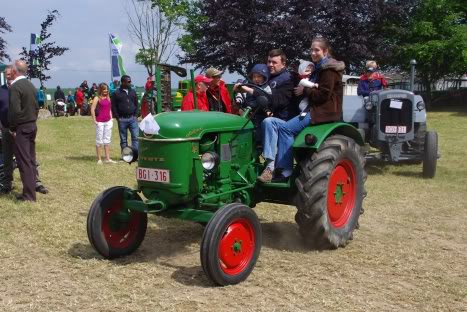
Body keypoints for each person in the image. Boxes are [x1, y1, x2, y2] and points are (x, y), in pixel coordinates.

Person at [275, 37, 345, 181]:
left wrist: (304, 90)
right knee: (274, 123)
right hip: (313, 108)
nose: (313, 53)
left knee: (286, 129)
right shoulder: (318, 68)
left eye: (317, 50)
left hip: (324, 110)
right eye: (311, 50)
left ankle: (286, 170)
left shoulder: (328, 70)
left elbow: (323, 95)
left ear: (325, 51)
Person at [237, 49, 296, 183]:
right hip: (265, 118)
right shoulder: (267, 78)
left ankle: (269, 168)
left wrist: (249, 90)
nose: (270, 65)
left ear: (284, 63)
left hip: (284, 120)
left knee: (269, 122)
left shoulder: (288, 79)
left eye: (274, 62)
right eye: (269, 61)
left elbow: (275, 100)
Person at [0, 65, 49, 196]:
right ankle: (6, 183)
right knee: (7, 157)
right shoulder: (2, 90)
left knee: (27, 157)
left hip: (20, 127)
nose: (7, 76)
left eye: (9, 74)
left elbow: (31, 106)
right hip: (6, 128)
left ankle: (35, 182)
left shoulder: (21, 87)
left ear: (14, 73)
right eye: (5, 74)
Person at [7, 60, 41, 201]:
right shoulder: (31, 86)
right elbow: (37, 106)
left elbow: (15, 111)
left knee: (24, 161)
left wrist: (13, 127)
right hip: (32, 124)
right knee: (31, 159)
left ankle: (28, 195)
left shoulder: (16, 87)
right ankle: (32, 188)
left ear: (14, 71)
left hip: (22, 126)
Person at [111, 75, 139, 152]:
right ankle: (125, 155)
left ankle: (135, 155)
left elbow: (136, 104)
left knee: (136, 138)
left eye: (130, 81)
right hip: (122, 119)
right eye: (128, 81)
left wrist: (136, 116)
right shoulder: (116, 93)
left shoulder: (133, 92)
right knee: (123, 139)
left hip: (132, 119)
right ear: (123, 82)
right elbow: (113, 106)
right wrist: (117, 117)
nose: (130, 83)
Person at [91, 83, 116, 164]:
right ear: (100, 90)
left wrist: (111, 119)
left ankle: (107, 158)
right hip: (100, 122)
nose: (106, 91)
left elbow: (109, 109)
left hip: (108, 121)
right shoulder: (97, 98)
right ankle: (99, 159)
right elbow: (92, 109)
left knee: (107, 140)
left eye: (107, 89)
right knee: (99, 140)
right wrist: (95, 120)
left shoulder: (108, 97)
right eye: (104, 89)